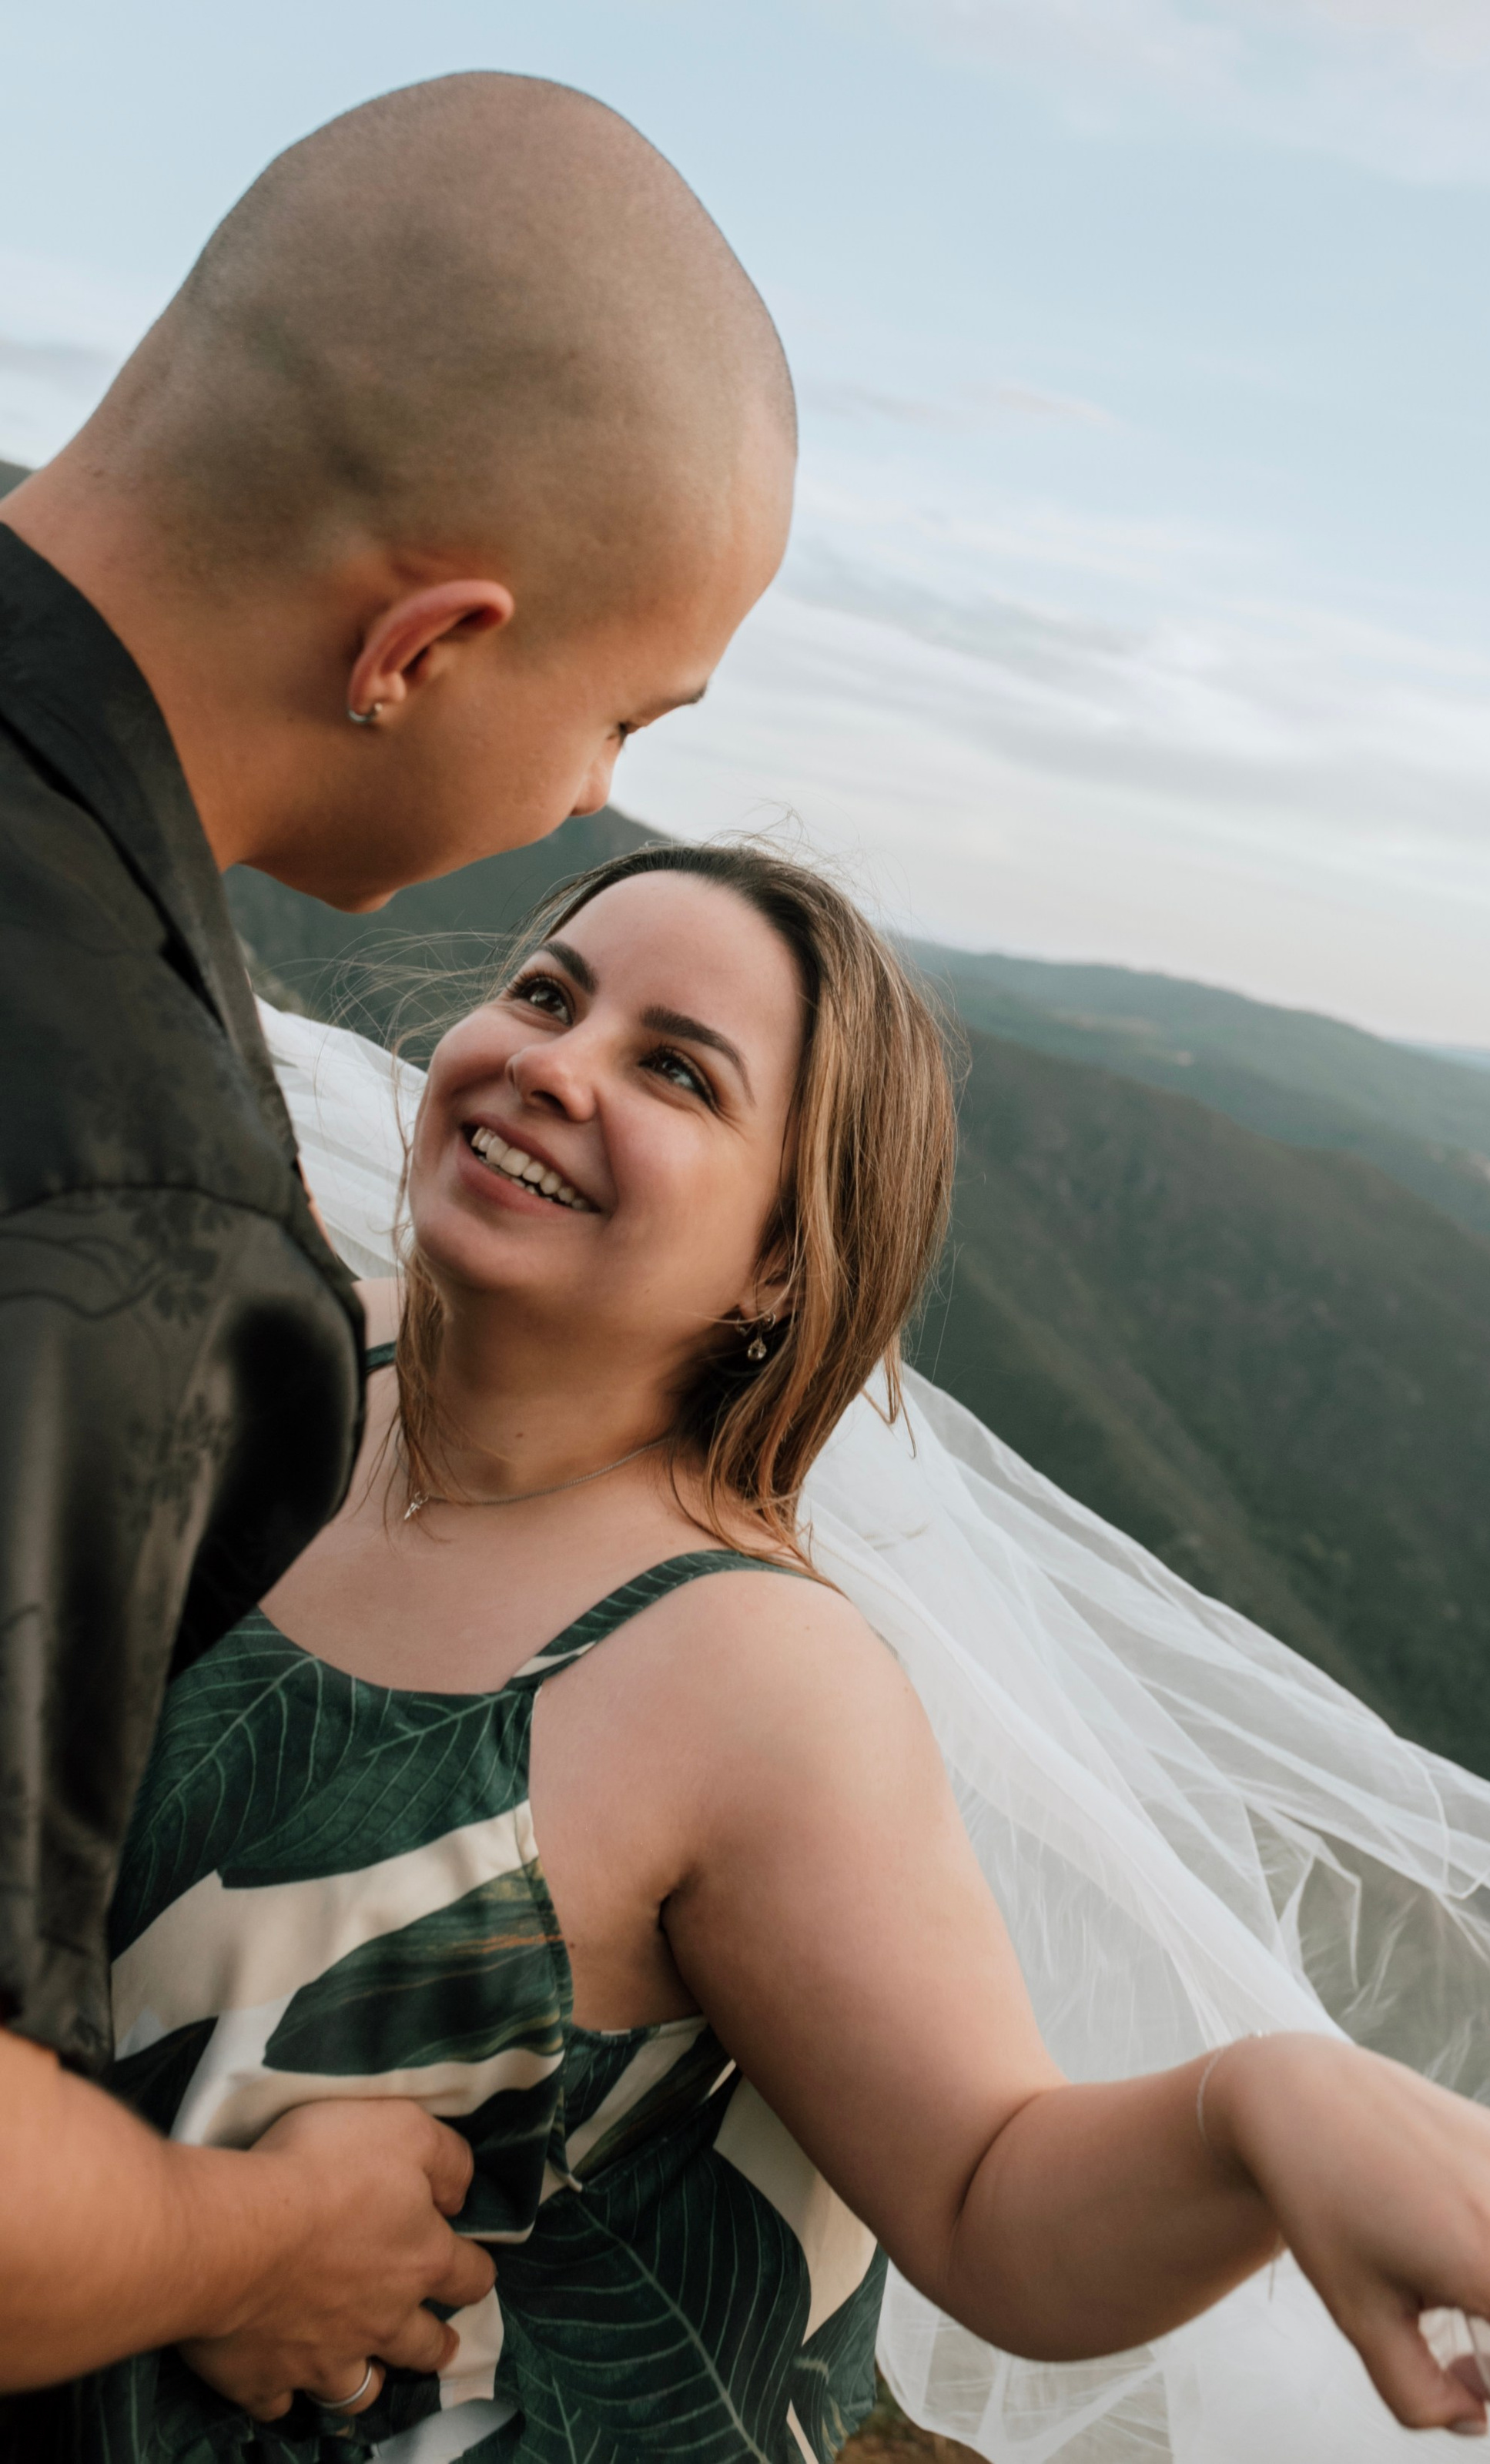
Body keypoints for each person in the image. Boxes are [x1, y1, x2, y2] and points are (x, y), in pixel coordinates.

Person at [69, 842, 1490, 2464]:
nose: (550, 1064)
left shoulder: (745, 1677)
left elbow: (984, 2194)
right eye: (545, 993)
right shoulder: (257, 1345)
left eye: (673, 1068)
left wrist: (1269, 2103)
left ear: (778, 1265)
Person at [0, 72, 795, 2444]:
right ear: (426, 639)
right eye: (620, 714)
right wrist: (256, 2237)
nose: (586, 801)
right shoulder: (128, 1210)